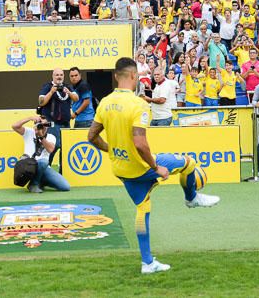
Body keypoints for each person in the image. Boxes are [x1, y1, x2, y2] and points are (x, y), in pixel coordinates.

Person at [87, 57, 219, 274]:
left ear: (115, 76)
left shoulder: (105, 102)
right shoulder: (138, 104)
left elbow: (91, 136)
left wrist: (111, 149)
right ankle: (191, 198)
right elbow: (140, 143)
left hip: (121, 169)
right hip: (142, 167)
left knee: (143, 209)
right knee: (189, 162)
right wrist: (156, 167)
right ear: (133, 76)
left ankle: (147, 262)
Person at [11, 115, 70, 193]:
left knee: (65, 186)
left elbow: (50, 149)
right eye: (40, 124)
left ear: (48, 126)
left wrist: (41, 136)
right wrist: (29, 118)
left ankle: (41, 181)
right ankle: (33, 185)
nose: (42, 127)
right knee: (44, 162)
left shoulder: (51, 137)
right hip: (29, 165)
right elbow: (14, 126)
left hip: (44, 167)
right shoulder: (29, 132)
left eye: (45, 125)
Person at [38, 68, 79, 162]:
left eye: (61, 75)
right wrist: (51, 92)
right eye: (57, 75)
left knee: (65, 148)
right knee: (54, 146)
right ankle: (47, 165)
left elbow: (76, 98)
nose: (59, 77)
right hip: (52, 123)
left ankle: (62, 171)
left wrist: (69, 92)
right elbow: (41, 102)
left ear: (64, 76)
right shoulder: (47, 86)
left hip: (66, 123)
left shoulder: (67, 86)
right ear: (53, 76)